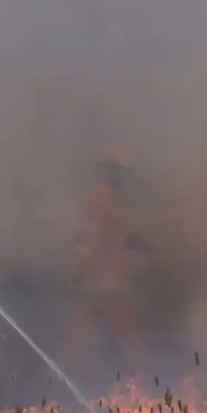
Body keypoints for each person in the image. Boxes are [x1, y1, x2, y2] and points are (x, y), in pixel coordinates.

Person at [63, 145, 153, 380]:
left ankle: (69, 371)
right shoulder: (101, 196)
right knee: (117, 324)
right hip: (102, 275)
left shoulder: (112, 197)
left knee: (90, 323)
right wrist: (81, 266)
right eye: (118, 169)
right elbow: (89, 234)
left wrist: (134, 239)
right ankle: (144, 375)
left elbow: (116, 230)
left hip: (110, 274)